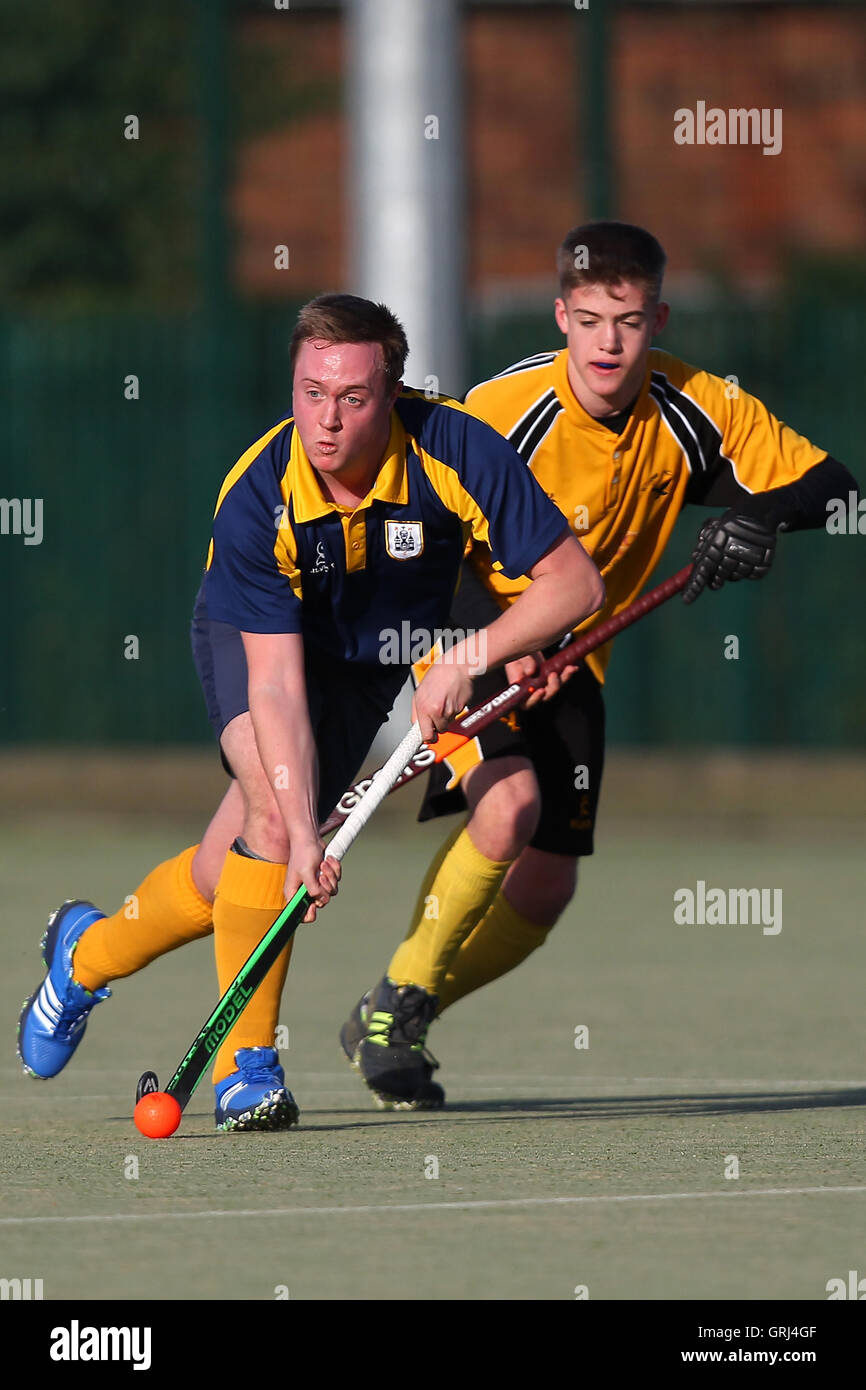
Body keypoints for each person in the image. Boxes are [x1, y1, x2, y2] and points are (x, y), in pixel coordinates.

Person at [17, 293, 604, 1131]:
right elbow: (278, 689)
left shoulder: (458, 451)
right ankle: (246, 1067)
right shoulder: (261, 498)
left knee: (231, 875)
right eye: (311, 392)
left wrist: (472, 657)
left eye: (353, 397)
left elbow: (575, 584)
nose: (326, 421)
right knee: (269, 813)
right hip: (260, 645)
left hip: (371, 658)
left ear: (392, 396)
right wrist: (301, 830)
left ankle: (85, 955)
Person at [339, 222, 860, 1110]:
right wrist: (498, 644)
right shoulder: (505, 414)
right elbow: (420, 542)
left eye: (627, 320)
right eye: (588, 320)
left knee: (546, 887)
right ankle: (392, 1011)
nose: (608, 342)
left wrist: (762, 520)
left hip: (578, 655)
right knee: (508, 809)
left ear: (656, 318)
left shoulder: (698, 407)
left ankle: (403, 1005)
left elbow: (838, 488)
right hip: (466, 628)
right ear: (560, 317)